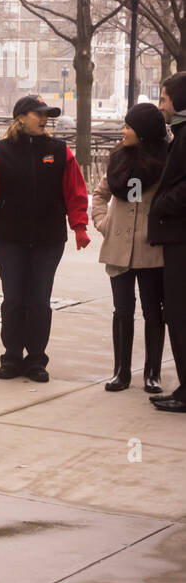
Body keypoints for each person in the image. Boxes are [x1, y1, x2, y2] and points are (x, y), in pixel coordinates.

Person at [0, 95, 90, 383]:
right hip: (8, 239)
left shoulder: (60, 151)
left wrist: (80, 225)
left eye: (46, 114)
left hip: (48, 240)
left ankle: (36, 359)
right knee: (13, 299)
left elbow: (75, 191)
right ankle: (11, 357)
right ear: (21, 117)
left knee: (39, 299)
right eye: (39, 113)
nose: (44, 118)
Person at [92, 103, 169, 394]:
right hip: (118, 248)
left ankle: (152, 373)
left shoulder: (164, 161)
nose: (123, 131)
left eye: (129, 127)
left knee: (153, 311)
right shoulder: (118, 160)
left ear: (144, 132)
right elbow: (99, 196)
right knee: (122, 310)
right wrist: (103, 224)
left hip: (150, 249)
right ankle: (121, 371)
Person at [149, 72, 186, 412]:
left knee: (179, 313)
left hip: (180, 239)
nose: (161, 106)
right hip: (176, 238)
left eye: (163, 99)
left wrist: (161, 204)